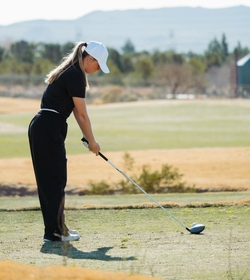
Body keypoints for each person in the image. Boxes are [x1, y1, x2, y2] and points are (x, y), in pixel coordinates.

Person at [28, 41, 109, 242]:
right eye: (98, 65)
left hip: (48, 126)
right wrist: (92, 142)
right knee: (53, 181)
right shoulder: (75, 75)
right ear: (90, 59)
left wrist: (89, 139)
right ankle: (54, 232)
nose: (97, 70)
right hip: (48, 127)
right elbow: (81, 114)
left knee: (56, 179)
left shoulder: (72, 72)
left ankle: (58, 228)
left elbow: (74, 111)